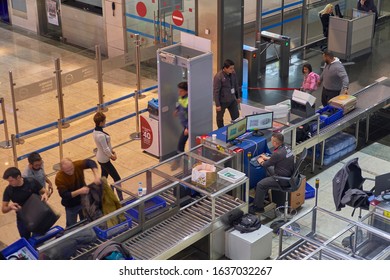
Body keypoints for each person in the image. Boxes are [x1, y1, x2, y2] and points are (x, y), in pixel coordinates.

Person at [249, 133, 295, 214]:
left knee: (260, 184)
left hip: (282, 179)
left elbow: (265, 164)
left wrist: (261, 160)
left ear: (275, 143)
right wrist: (267, 158)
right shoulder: (287, 147)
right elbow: (278, 158)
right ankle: (263, 195)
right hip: (289, 174)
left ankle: (258, 207)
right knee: (267, 172)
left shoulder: (277, 153)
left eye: (272, 141)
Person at [2, 167, 48, 239]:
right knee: (25, 240)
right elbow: (4, 209)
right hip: (22, 219)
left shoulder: (31, 182)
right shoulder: (9, 190)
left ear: (18, 177)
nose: (10, 183)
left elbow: (44, 191)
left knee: (40, 238)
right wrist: (10, 207)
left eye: (11, 181)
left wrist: (45, 195)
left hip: (38, 215)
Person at [55, 158, 101, 227]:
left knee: (86, 221)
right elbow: (64, 195)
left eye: (71, 168)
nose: (71, 172)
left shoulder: (77, 165)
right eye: (67, 171)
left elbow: (90, 162)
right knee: (71, 226)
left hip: (84, 201)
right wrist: (79, 191)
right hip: (71, 205)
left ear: (72, 164)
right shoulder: (59, 178)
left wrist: (96, 175)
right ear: (62, 169)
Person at [93, 112, 123, 201]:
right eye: (104, 121)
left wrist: (111, 150)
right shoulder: (101, 135)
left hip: (100, 157)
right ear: (101, 122)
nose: (105, 122)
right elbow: (105, 149)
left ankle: (101, 195)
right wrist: (112, 156)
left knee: (104, 178)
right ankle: (120, 199)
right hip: (104, 159)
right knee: (117, 178)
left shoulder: (95, 131)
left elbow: (104, 146)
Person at [213, 59, 241, 128]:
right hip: (222, 101)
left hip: (232, 100)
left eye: (233, 68)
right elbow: (216, 91)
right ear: (225, 68)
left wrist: (237, 97)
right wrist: (217, 104)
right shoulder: (218, 77)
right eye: (230, 68)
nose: (232, 70)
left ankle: (236, 130)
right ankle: (220, 130)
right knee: (219, 118)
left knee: (236, 116)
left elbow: (236, 85)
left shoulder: (233, 73)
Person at [173, 82, 189, 153]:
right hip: (184, 125)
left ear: (187, 91)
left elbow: (191, 116)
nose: (179, 93)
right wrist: (177, 109)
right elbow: (179, 103)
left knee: (181, 144)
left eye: (181, 91)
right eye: (179, 90)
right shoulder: (181, 97)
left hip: (188, 126)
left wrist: (187, 128)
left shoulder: (189, 101)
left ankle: (180, 158)